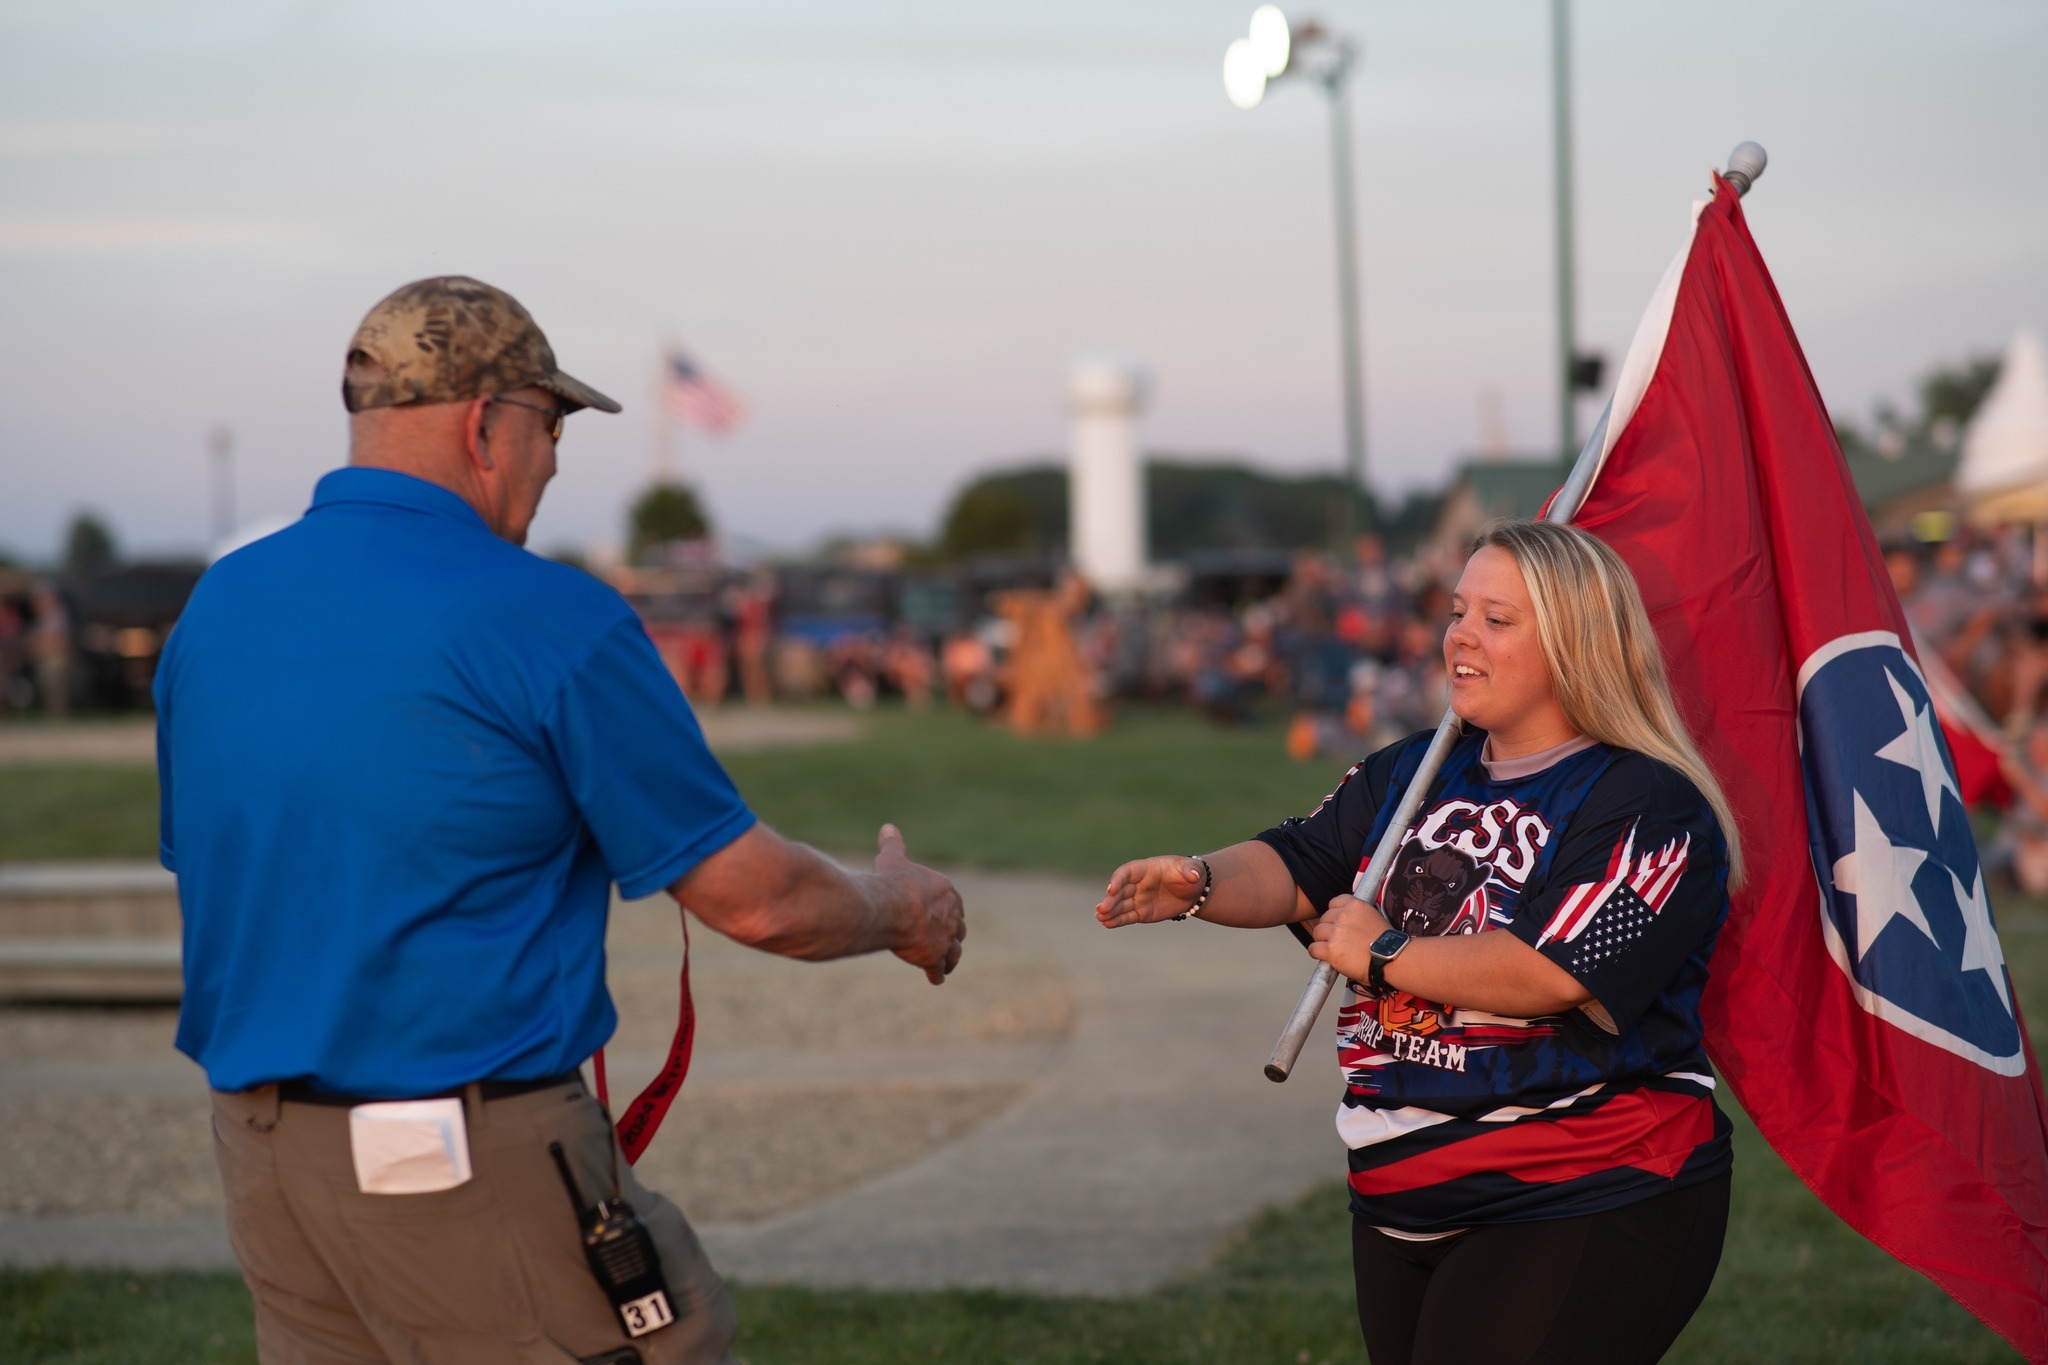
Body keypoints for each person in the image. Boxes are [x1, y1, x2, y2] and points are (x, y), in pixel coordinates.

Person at [156, 276, 965, 1365]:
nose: (552, 461)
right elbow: (757, 900)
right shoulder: (542, 613)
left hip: (262, 1158)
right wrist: (899, 906)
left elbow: (222, 863)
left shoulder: (220, 606)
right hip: (459, 1159)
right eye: (550, 426)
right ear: (486, 424)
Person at [1096, 519, 1739, 1365]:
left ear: (1576, 644)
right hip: (1400, 1196)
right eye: (1458, 609)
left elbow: (1553, 971)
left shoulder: (1651, 805)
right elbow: (1300, 861)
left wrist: (1383, 952)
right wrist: (1199, 880)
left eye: (1498, 619)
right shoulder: (1416, 771)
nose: (1460, 635)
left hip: (1585, 1185)